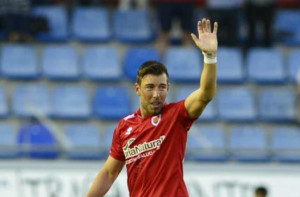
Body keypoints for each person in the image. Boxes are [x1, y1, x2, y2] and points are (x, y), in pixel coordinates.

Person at [86, 18, 218, 197]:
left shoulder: (176, 115)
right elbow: (110, 172)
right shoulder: (124, 127)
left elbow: (205, 94)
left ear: (168, 88)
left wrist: (210, 57)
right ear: (137, 89)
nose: (157, 94)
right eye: (150, 87)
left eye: (162, 87)